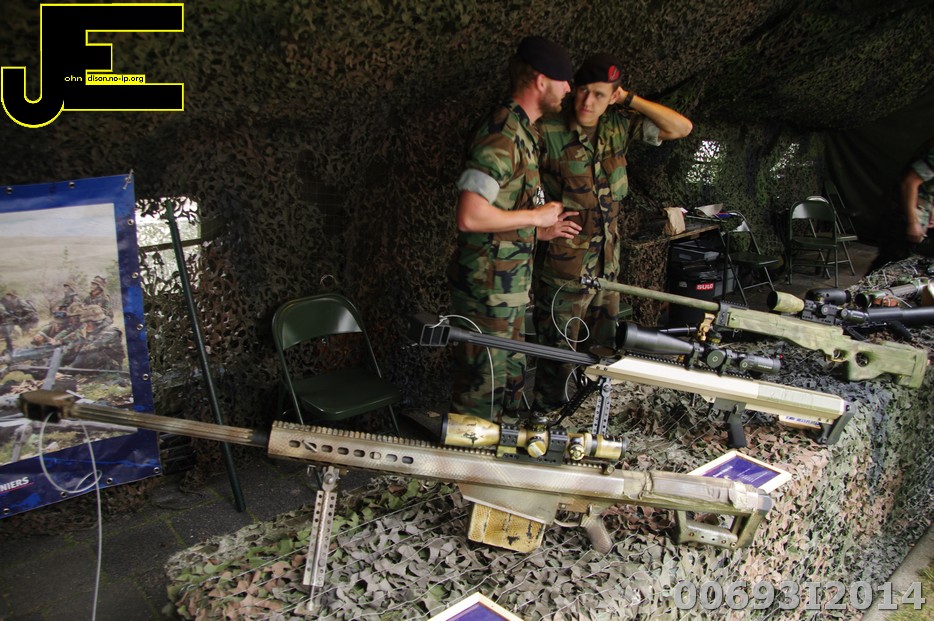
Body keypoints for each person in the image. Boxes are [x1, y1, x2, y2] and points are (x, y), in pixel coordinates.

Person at [532, 52, 693, 411]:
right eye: (584, 91)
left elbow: (681, 128)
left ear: (613, 97)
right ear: (573, 88)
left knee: (603, 354)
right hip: (564, 272)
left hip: (607, 271)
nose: (588, 102)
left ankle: (587, 419)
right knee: (557, 357)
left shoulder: (618, 126)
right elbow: (509, 186)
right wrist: (536, 228)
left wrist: (631, 100)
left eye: (600, 95)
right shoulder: (546, 128)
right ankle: (546, 421)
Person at [447, 36, 582, 421]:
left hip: (507, 292)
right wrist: (535, 218)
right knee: (480, 395)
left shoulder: (525, 132)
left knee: (509, 387)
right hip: (487, 294)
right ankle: (462, 459)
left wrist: (536, 233)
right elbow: (471, 215)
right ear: (541, 81)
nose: (568, 89)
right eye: (563, 80)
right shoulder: (503, 135)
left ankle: (495, 455)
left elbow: (498, 216)